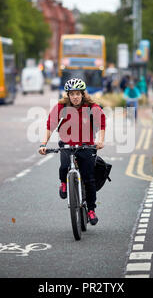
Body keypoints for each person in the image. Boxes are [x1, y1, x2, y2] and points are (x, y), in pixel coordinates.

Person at [39, 78, 106, 225]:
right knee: (64, 166)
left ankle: (91, 210)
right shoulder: (60, 107)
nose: (75, 97)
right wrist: (43, 144)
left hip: (86, 146)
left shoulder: (91, 106)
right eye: (72, 94)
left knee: (89, 179)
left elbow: (101, 123)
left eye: (78, 93)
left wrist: (100, 141)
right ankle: (64, 182)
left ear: (83, 94)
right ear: (68, 95)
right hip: (67, 144)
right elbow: (50, 125)